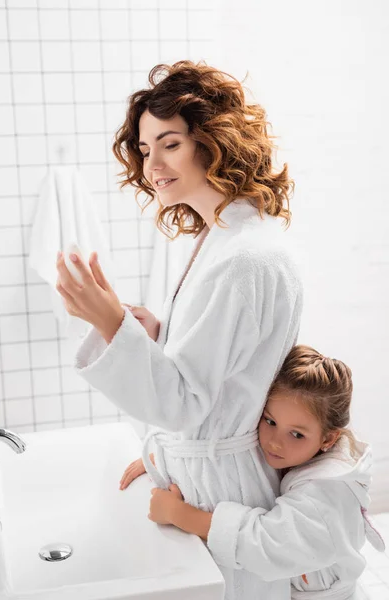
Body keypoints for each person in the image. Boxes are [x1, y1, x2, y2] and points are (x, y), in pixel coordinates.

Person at [55, 60, 303, 600]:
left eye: (169, 143)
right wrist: (161, 331)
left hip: (221, 492)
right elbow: (230, 363)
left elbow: (186, 403)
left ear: (213, 142)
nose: (152, 165)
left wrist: (110, 321)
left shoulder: (241, 259)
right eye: (145, 150)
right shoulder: (227, 239)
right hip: (204, 477)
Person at [122, 345, 385, 600]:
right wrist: (172, 462)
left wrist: (180, 515)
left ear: (328, 439)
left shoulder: (329, 493)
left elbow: (269, 543)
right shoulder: (297, 455)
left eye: (296, 434)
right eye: (270, 421)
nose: (274, 442)